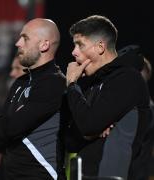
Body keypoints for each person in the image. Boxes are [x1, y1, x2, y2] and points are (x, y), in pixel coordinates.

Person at [65, 15, 151, 180]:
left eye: (80, 45)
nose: (74, 52)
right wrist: (90, 130)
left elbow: (88, 124)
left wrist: (71, 85)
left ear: (100, 47)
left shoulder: (127, 78)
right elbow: (71, 140)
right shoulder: (93, 85)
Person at [0, 18, 66, 180]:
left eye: (25, 38)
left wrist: (3, 125)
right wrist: (3, 126)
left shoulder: (54, 83)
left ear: (44, 45)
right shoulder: (20, 82)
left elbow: (10, 128)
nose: (18, 43)